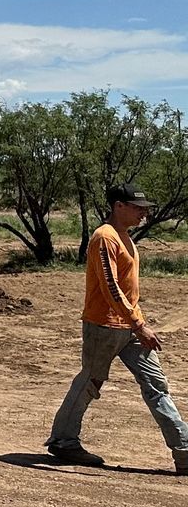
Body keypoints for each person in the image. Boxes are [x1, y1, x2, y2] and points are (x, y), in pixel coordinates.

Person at [45, 184, 188, 474]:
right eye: (138, 208)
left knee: (156, 384)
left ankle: (184, 452)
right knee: (90, 381)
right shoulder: (104, 237)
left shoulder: (126, 237)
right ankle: (63, 441)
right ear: (118, 206)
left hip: (132, 328)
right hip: (105, 326)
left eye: (145, 208)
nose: (143, 213)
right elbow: (110, 287)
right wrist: (139, 324)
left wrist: (138, 324)